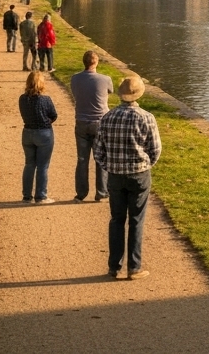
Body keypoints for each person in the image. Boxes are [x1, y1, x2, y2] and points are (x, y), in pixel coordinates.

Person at [95, 76, 161, 281]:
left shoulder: (107, 117)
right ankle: (134, 267)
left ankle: (114, 266)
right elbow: (155, 149)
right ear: (138, 94)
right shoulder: (146, 117)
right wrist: (146, 164)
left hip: (115, 175)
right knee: (136, 220)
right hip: (139, 174)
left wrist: (110, 166)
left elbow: (98, 151)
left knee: (116, 219)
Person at [70, 51, 113, 202]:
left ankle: (81, 193)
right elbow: (110, 92)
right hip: (99, 123)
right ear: (96, 63)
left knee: (82, 159)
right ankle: (101, 192)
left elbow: (75, 93)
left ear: (84, 62)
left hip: (81, 122)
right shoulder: (105, 79)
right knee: (100, 158)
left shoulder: (75, 79)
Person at [18, 70, 58, 205]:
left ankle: (26, 196)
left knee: (29, 164)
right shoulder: (45, 99)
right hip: (43, 133)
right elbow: (54, 115)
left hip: (27, 132)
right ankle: (41, 195)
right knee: (43, 166)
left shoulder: (22, 99)